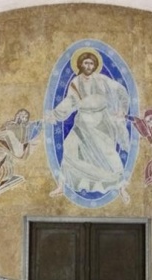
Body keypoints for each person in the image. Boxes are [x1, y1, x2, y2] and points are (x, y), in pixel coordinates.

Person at [46, 50, 131, 203]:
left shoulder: (101, 79)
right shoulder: (75, 82)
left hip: (101, 121)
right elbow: (70, 102)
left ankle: (121, 188)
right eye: (86, 63)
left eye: (91, 63)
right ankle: (61, 185)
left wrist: (122, 110)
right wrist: (55, 114)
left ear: (95, 65)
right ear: (80, 64)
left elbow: (121, 91)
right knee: (69, 146)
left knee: (108, 154)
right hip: (83, 121)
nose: (88, 66)